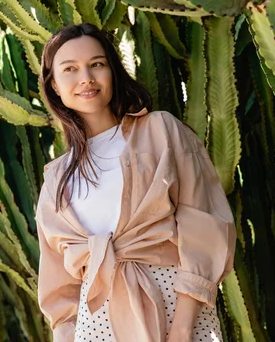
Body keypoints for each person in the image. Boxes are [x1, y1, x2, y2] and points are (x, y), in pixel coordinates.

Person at [35, 23, 236, 342]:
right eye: (70, 69)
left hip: (173, 309)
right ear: (55, 85)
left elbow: (205, 223)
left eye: (96, 64)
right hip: (96, 330)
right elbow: (59, 290)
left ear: (113, 71)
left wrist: (183, 329)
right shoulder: (56, 181)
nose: (86, 77)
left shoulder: (161, 132)